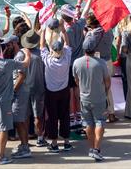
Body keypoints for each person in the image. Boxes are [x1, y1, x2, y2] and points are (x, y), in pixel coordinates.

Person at [0, 37, 30, 164]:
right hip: (5, 101)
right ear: (0, 50)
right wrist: (27, 53)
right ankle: (1, 157)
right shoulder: (8, 63)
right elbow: (25, 63)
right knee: (3, 129)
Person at [71, 35, 110, 161]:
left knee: (88, 123)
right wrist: (104, 92)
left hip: (84, 97)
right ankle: (97, 149)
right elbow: (107, 81)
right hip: (98, 97)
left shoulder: (77, 62)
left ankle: (91, 148)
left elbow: (76, 80)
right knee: (100, 122)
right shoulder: (101, 63)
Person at [40, 25, 73, 153]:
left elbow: (42, 46)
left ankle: (54, 143)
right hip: (64, 91)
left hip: (51, 92)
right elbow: (68, 44)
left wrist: (43, 30)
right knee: (64, 115)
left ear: (52, 50)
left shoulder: (48, 60)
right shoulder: (67, 58)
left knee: (52, 117)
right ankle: (66, 142)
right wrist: (63, 31)